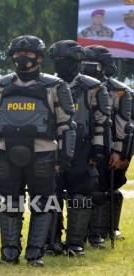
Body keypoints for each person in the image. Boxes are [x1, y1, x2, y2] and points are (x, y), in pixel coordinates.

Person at [0, 35, 76, 266]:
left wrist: (65, 156)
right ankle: (9, 253)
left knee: (42, 203)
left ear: (40, 58)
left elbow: (66, 124)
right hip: (4, 152)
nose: (22, 58)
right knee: (9, 202)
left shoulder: (55, 86)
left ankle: (35, 254)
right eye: (16, 54)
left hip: (43, 152)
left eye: (28, 54)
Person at [48, 40, 110, 257]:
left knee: (80, 196)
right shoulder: (47, 84)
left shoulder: (93, 87)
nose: (60, 64)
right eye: (56, 60)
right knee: (50, 195)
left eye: (64, 60)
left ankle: (75, 243)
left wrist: (99, 150)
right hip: (51, 148)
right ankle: (51, 241)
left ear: (77, 61)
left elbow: (102, 122)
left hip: (82, 149)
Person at [81, 45, 133, 248]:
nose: (87, 68)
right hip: (83, 146)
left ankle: (106, 230)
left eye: (92, 64)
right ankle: (83, 231)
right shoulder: (77, 86)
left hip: (111, 148)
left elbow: (125, 125)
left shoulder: (120, 91)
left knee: (106, 189)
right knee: (84, 190)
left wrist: (121, 152)